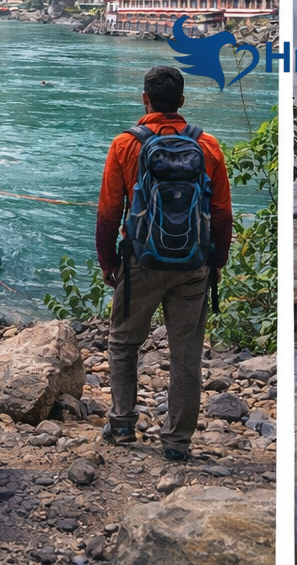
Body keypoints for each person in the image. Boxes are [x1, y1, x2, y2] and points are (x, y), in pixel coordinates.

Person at [95, 65, 232, 461]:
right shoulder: (207, 145)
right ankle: (176, 442)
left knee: (124, 342)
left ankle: (122, 424)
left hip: (141, 261)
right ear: (182, 103)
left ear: (145, 100)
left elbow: (109, 212)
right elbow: (222, 214)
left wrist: (108, 260)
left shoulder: (125, 145)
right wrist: (216, 261)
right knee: (185, 355)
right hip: (193, 263)